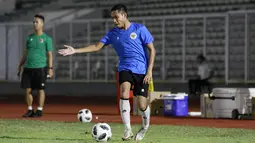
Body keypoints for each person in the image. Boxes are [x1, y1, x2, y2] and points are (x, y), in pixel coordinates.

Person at [58, 4, 156, 141]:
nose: (114, 21)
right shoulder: (112, 34)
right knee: (124, 91)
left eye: (116, 17)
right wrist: (75, 50)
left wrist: (149, 70)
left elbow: (152, 49)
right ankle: (127, 129)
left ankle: (145, 127)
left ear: (124, 15)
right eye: (112, 18)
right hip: (124, 68)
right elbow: (96, 47)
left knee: (142, 105)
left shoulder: (140, 29)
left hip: (142, 71)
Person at [17, 14, 54, 117]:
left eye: (37, 22)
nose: (34, 24)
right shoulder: (30, 38)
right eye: (33, 22)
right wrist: (20, 65)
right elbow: (25, 53)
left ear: (42, 24)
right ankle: (30, 109)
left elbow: (50, 55)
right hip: (28, 68)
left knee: (40, 90)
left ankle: (39, 109)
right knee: (27, 89)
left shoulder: (47, 39)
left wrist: (50, 68)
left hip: (41, 68)